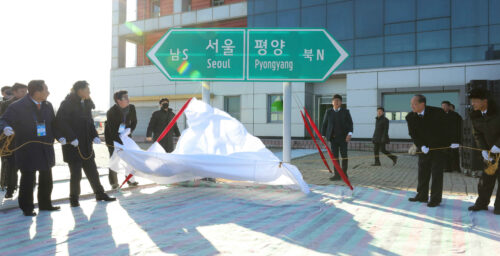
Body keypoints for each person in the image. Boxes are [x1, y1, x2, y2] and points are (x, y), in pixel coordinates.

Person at [0, 80, 60, 216]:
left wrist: (61, 136)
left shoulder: (47, 105)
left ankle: (45, 204)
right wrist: (6, 127)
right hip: (27, 147)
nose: (48, 92)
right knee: (28, 178)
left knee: (46, 177)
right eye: (46, 89)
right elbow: (3, 120)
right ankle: (27, 208)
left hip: (45, 146)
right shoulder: (18, 106)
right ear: (37, 92)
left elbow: (54, 124)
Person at [56, 81, 116, 207]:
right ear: (79, 90)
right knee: (76, 174)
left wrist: (95, 136)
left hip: (86, 145)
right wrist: (71, 137)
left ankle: (100, 193)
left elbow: (89, 122)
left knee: (93, 171)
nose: (89, 92)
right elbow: (61, 122)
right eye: (87, 90)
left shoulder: (86, 104)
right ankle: (74, 199)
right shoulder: (67, 104)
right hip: (73, 145)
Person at [405, 95, 459, 207]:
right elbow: (413, 134)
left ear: (422, 104)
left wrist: (455, 140)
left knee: (436, 173)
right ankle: (422, 195)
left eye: (414, 104)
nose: (412, 106)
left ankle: (435, 199)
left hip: (438, 148)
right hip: (424, 149)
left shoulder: (437, 112)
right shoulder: (410, 117)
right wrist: (421, 146)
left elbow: (450, 126)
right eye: (411, 104)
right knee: (423, 172)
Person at [466, 88, 500, 215]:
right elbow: (477, 134)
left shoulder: (497, 111)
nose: (472, 104)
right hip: (490, 152)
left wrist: (498, 145)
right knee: (485, 179)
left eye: (475, 101)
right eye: (471, 101)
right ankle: (482, 203)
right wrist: (483, 149)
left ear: (484, 101)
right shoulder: (475, 114)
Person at [105, 90, 138, 189]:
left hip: (126, 136)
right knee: (114, 159)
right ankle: (114, 183)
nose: (128, 100)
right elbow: (112, 130)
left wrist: (129, 130)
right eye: (125, 98)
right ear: (118, 100)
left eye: (128, 97)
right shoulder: (111, 112)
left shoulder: (131, 108)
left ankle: (130, 180)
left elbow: (134, 121)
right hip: (113, 138)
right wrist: (119, 144)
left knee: (130, 159)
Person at [0, 83, 28, 198]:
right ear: (15, 92)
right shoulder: (5, 105)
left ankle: (28, 188)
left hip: (27, 140)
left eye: (26, 91)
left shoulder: (30, 104)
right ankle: (10, 189)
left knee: (28, 166)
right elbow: (2, 120)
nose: (25, 94)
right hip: (10, 141)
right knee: (12, 166)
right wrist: (5, 129)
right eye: (22, 91)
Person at [321, 94, 353, 181]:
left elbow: (350, 124)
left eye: (338, 100)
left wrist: (349, 134)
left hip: (343, 138)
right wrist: (323, 135)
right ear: (332, 102)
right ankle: (337, 175)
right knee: (335, 157)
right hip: (333, 138)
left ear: (341, 102)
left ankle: (344, 174)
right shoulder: (328, 112)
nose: (336, 102)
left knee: (344, 156)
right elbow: (324, 124)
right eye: (335, 100)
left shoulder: (346, 112)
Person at [441, 101, 463, 172]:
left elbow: (459, 128)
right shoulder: (440, 115)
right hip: (444, 138)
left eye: (445, 106)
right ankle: (447, 168)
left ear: (449, 106)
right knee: (445, 153)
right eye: (442, 106)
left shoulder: (455, 115)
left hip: (454, 138)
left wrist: (458, 140)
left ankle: (456, 168)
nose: (443, 107)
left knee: (454, 153)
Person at [0, 85, 12, 190]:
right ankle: (4, 183)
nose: (9, 94)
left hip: (13, 137)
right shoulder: (2, 104)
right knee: (5, 160)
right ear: (3, 93)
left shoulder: (16, 103)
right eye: (7, 92)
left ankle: (12, 182)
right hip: (3, 137)